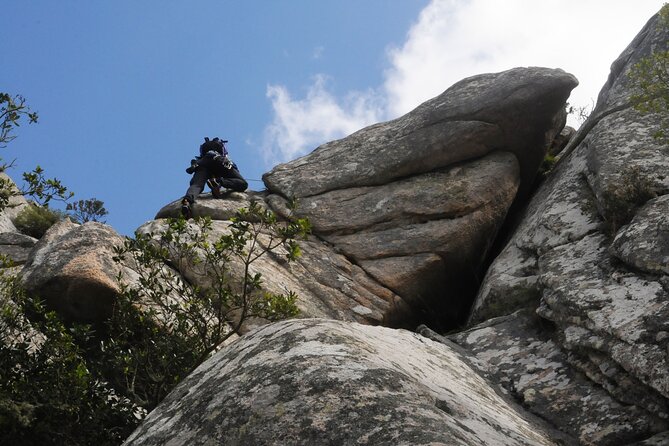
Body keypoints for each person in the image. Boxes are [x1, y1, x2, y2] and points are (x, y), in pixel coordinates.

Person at [181, 137, 248, 218]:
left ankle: (187, 201)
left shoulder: (204, 153)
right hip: (220, 161)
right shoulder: (221, 150)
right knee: (243, 183)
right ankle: (218, 182)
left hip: (202, 163)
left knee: (197, 185)